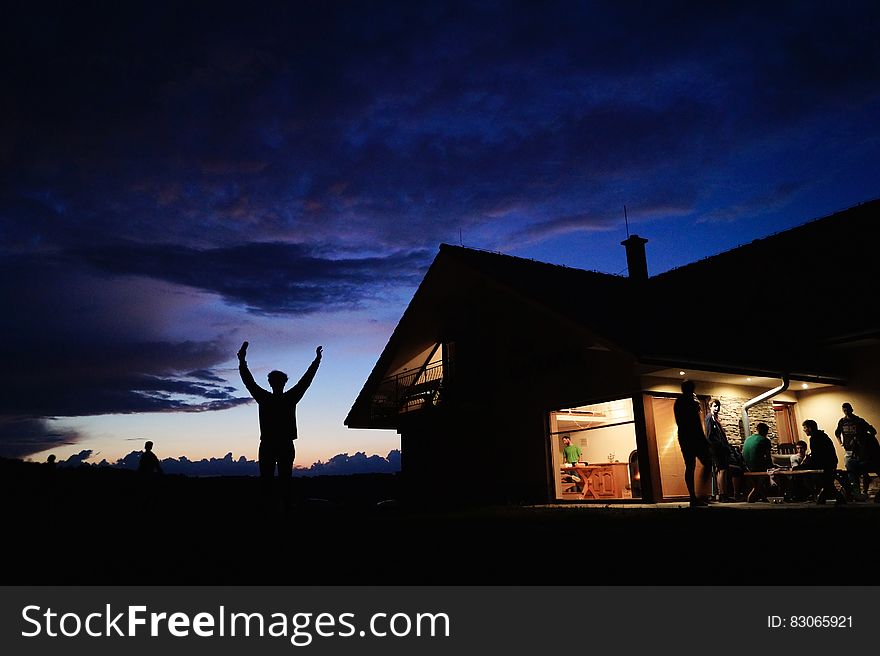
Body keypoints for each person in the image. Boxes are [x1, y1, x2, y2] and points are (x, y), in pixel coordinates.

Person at [238, 341, 322, 493]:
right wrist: (316, 361)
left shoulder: (265, 398)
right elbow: (306, 381)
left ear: (270, 383)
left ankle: (275, 509)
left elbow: (248, 381)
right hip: (280, 444)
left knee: (270, 482)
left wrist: (242, 361)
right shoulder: (288, 398)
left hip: (272, 444)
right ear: (283, 383)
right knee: (283, 481)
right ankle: (281, 509)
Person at [673, 380, 712, 507]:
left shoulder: (678, 402)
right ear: (692, 389)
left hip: (684, 437)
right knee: (707, 462)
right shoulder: (690, 401)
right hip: (694, 437)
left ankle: (694, 496)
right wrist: (703, 439)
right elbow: (695, 422)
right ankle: (701, 493)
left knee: (690, 466)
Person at [835, 402, 877, 497]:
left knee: (862, 471)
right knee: (851, 470)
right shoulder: (842, 422)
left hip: (865, 454)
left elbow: (873, 431)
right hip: (851, 450)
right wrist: (841, 443)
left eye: (847, 410)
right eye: (844, 410)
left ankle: (864, 491)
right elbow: (837, 433)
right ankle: (856, 492)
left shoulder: (859, 421)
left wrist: (866, 440)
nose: (846, 412)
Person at [802, 420, 846, 505]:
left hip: (824, 464)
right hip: (831, 463)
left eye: (805, 428)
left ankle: (809, 494)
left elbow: (817, 456)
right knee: (828, 483)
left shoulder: (814, 438)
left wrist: (807, 462)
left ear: (809, 428)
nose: (804, 430)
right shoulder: (823, 436)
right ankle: (829, 497)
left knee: (799, 470)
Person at [705, 399, 732, 501]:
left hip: (721, 448)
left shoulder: (715, 419)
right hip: (717, 449)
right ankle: (722, 495)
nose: (717, 408)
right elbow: (709, 435)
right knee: (722, 470)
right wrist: (718, 446)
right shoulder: (709, 418)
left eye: (718, 406)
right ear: (710, 406)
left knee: (722, 470)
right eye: (715, 406)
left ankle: (722, 494)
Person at [742, 422, 773, 502]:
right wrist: (773, 467)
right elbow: (768, 457)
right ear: (765, 431)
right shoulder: (765, 440)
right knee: (769, 472)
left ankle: (762, 495)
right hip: (756, 467)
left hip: (745, 467)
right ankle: (765, 494)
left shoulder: (748, 439)